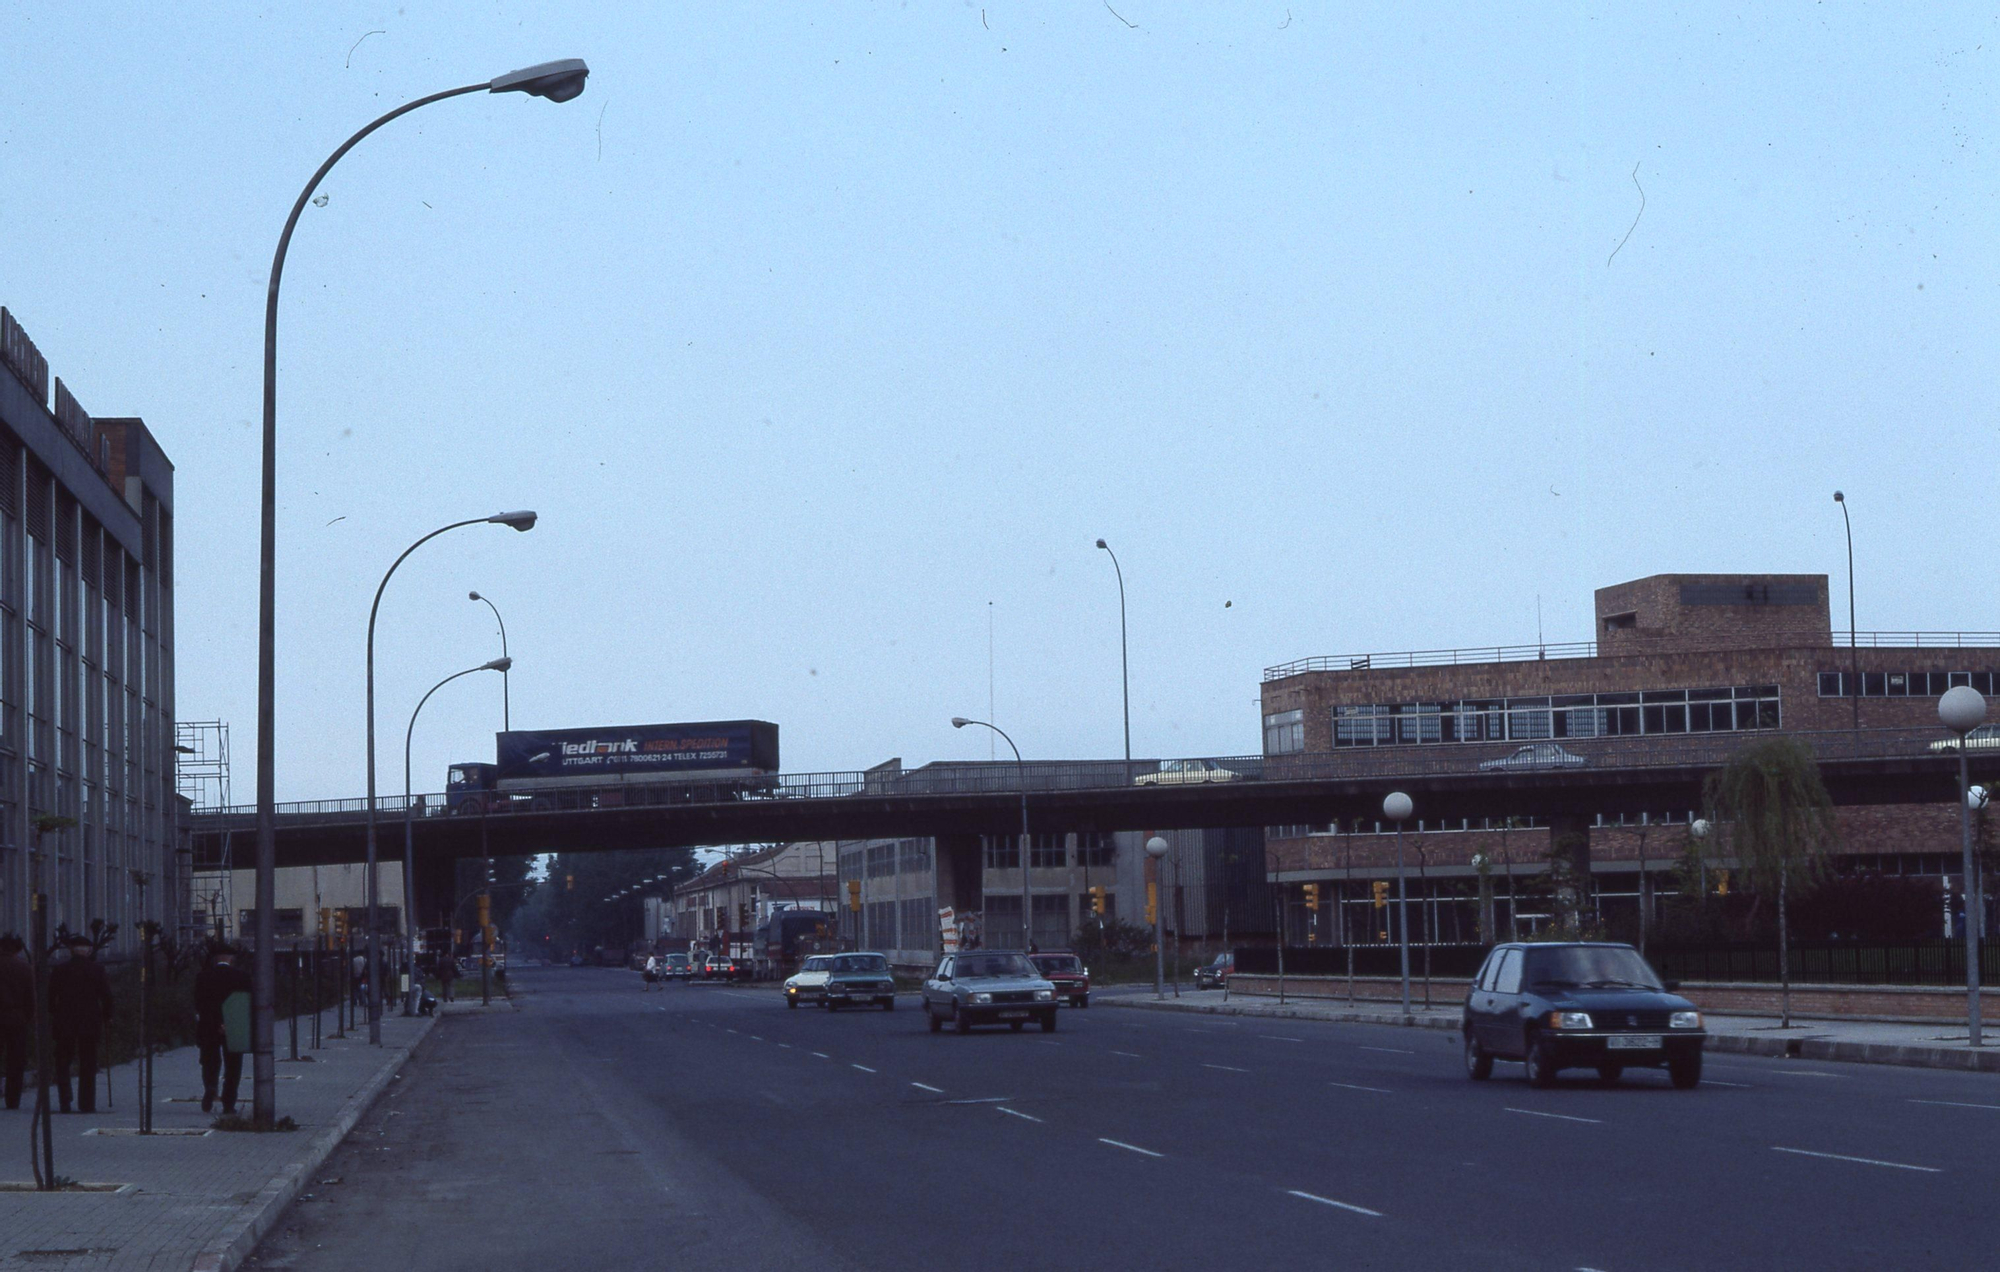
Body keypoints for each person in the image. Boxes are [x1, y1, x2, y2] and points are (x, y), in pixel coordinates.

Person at [47, 934, 114, 1115]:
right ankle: (87, 1103)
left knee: (63, 1060)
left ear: (71, 950)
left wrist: (55, 1013)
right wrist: (108, 1016)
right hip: (89, 1021)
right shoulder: (97, 970)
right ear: (89, 950)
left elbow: (51, 997)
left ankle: (65, 1100)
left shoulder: (60, 970)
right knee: (88, 1062)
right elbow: (106, 996)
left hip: (65, 1021)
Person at [193, 945, 251, 1114]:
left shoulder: (203, 977)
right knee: (233, 1066)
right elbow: (245, 1003)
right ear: (231, 959)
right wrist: (229, 1023)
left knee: (209, 1061)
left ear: (215, 959)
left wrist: (213, 1022)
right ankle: (228, 1103)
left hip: (208, 1026)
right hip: (234, 1026)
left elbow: (199, 1004)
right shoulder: (242, 977)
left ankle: (210, 1086)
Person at [0, 935, 31, 1111]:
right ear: (18, 950)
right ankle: (13, 1100)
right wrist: (27, 1016)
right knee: (16, 1060)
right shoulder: (24, 967)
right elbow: (30, 997)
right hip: (17, 1017)